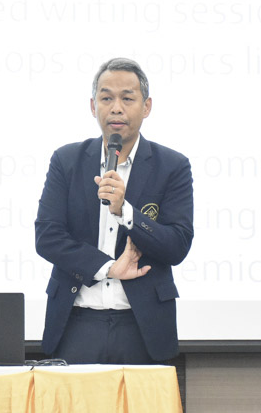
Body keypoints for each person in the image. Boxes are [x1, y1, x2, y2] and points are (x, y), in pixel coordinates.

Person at [34, 57, 194, 364]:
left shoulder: (172, 166)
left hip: (142, 327)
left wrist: (126, 212)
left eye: (127, 99)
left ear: (146, 107)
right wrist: (107, 268)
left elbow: (177, 245)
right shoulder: (66, 161)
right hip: (75, 322)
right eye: (106, 98)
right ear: (93, 106)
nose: (116, 108)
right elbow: (47, 237)